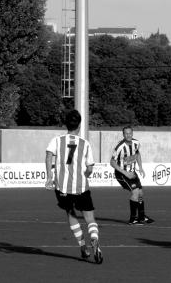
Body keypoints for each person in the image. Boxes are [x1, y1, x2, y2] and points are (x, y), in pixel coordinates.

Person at [45, 110, 103, 264]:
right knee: (90, 218)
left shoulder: (57, 140)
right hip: (81, 187)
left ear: (66, 124)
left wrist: (49, 177)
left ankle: (83, 245)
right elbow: (90, 168)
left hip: (63, 188)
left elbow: (49, 155)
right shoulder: (85, 143)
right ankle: (94, 239)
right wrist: (88, 173)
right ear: (79, 125)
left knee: (71, 215)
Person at [110, 126, 154, 225]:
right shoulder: (119, 147)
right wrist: (125, 173)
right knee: (135, 193)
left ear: (132, 133)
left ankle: (142, 217)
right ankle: (133, 219)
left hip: (132, 172)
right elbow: (112, 162)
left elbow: (137, 154)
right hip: (121, 174)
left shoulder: (136, 143)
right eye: (126, 133)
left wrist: (141, 167)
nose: (128, 135)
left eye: (130, 133)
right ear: (123, 135)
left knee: (141, 193)